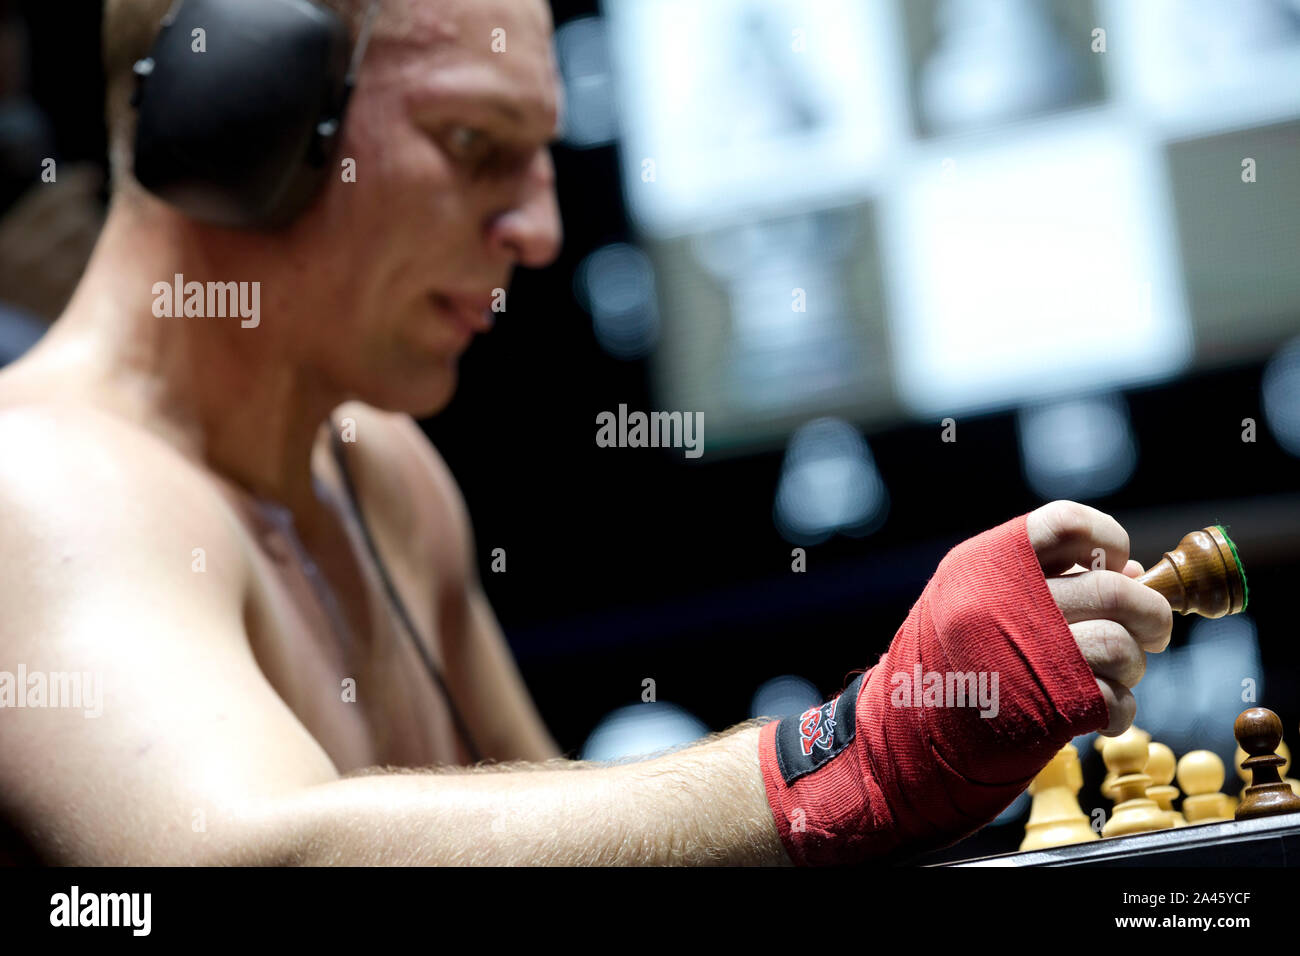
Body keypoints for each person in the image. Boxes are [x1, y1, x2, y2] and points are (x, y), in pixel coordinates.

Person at [0, 0, 1171, 865]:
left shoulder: (379, 467)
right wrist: (853, 755)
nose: (541, 228)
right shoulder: (39, 478)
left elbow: (582, 846)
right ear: (236, 125)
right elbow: (242, 859)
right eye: (473, 144)